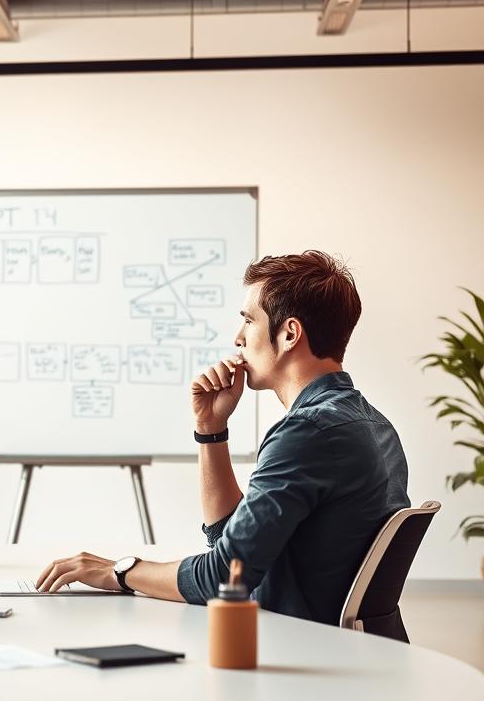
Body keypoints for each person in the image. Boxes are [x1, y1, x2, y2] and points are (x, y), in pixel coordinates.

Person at [36, 251, 410, 624]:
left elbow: (222, 578)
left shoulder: (308, 432)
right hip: (345, 652)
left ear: (290, 333)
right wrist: (210, 428)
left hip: (298, 650)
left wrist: (119, 571)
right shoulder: (375, 426)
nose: (237, 338)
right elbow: (228, 544)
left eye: (248, 321)